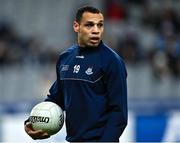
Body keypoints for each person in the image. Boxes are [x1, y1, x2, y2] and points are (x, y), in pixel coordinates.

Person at [24, 5, 128, 142]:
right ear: (76, 26)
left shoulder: (113, 62)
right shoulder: (65, 58)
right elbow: (56, 98)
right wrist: (31, 122)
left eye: (100, 25)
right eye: (89, 25)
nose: (96, 30)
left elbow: (119, 114)